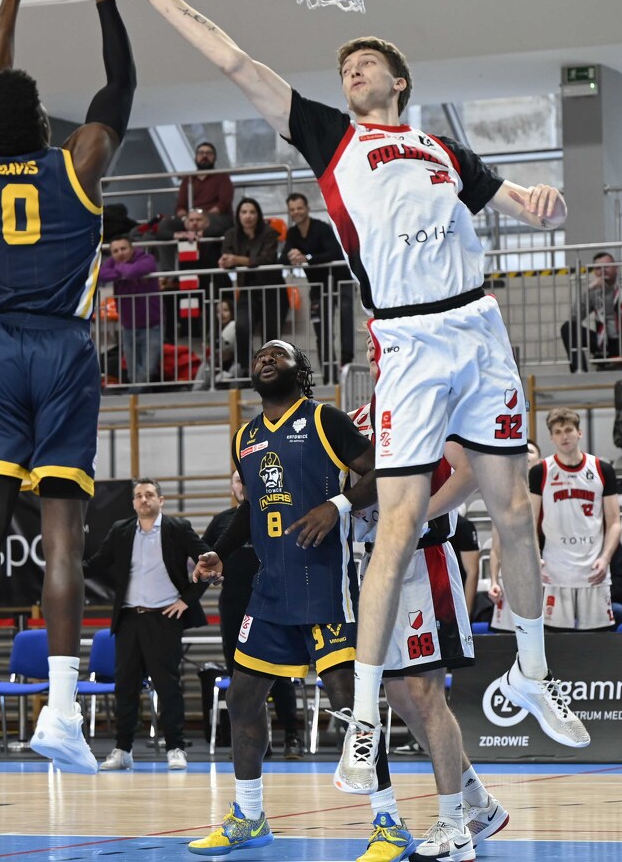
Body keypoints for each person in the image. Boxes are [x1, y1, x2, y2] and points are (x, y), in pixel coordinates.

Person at [102, 0, 589, 795]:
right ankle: (362, 723)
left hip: (479, 328)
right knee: (395, 528)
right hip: (407, 339)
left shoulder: (445, 151)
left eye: (364, 64)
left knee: (515, 511)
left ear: (397, 80)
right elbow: (235, 61)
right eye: (345, 68)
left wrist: (541, 203)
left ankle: (533, 672)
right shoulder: (331, 138)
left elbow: (522, 201)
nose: (351, 72)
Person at [0, 0, 135, 772]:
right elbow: (119, 85)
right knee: (62, 535)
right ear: (42, 120)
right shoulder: (79, 161)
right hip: (63, 350)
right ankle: (60, 713)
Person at [185, 340, 382, 856]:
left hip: (325, 584)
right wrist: (221, 551)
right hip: (270, 589)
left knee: (350, 707)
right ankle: (249, 817)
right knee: (241, 698)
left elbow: (380, 472)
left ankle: (388, 822)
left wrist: (338, 505)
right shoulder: (245, 437)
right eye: (259, 357)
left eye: (277, 354)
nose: (265, 359)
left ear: (301, 370)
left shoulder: (325, 420)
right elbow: (253, 510)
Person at [347, 331, 507, 862]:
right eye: (372, 347)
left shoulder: (434, 405)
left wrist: (419, 512)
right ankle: (479, 804)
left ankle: (453, 826)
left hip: (424, 561)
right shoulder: (357, 420)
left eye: (385, 345)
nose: (377, 353)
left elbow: (471, 474)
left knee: (425, 694)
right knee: (399, 697)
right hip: (375, 566)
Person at [85, 477, 208, 770]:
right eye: (139, 495)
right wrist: (67, 564)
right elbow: (98, 563)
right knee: (125, 687)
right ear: (133, 503)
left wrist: (186, 600)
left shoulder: (177, 528)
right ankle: (122, 749)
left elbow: (207, 564)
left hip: (164, 617)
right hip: (129, 618)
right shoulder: (122, 530)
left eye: (149, 494)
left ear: (160, 500)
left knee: (168, 686)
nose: (144, 499)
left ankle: (175, 747)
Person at [202, 470, 304, 759]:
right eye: (237, 480)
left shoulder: (278, 513)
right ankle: (255, 742)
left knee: (280, 673)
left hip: (274, 603)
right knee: (240, 676)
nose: (241, 485)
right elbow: (205, 558)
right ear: (232, 487)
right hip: (234, 605)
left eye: (244, 480)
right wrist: (209, 574)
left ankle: (292, 737)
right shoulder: (222, 522)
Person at [519, 407, 621, 632]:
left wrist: (605, 558)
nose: (564, 436)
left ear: (579, 433)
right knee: (556, 641)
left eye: (568, 430)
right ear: (551, 437)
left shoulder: (602, 469)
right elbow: (530, 522)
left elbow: (614, 521)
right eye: (557, 432)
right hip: (555, 571)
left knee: (599, 640)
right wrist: (535, 558)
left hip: (593, 570)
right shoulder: (541, 471)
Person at [282, 191, 354, 381]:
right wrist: (292, 256)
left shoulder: (321, 227)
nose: (296, 212)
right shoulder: (293, 233)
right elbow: (282, 258)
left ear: (307, 208)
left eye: (299, 208)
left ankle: (346, 363)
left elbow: (335, 253)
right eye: (292, 209)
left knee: (345, 321)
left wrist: (307, 258)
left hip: (340, 280)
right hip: (318, 286)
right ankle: (329, 373)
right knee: (321, 329)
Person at [561, 252, 622, 372]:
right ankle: (580, 372)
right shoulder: (594, 290)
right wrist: (587, 290)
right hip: (605, 343)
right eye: (598, 268)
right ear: (594, 272)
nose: (602, 271)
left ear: (616, 268)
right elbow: (574, 317)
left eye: (607, 266)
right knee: (568, 328)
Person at [220, 197, 284, 374]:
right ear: (238, 215)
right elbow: (226, 254)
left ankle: (271, 372)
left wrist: (237, 260)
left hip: (271, 289)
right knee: (241, 326)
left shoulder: (269, 233)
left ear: (258, 215)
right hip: (247, 289)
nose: (248, 216)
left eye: (252, 212)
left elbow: (266, 259)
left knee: (270, 335)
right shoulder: (232, 234)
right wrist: (225, 261)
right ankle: (245, 368)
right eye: (244, 212)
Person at [99, 234, 162, 383]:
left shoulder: (147, 259)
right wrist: (124, 270)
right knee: (132, 370)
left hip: (152, 324)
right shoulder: (111, 262)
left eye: (123, 248)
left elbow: (133, 272)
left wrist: (119, 269)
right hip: (128, 325)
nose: (120, 253)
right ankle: (137, 395)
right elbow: (100, 274)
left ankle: (133, 393)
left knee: (149, 368)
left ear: (132, 249)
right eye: (115, 251)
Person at [175, 141, 234, 217]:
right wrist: (186, 217)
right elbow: (180, 206)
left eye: (208, 153)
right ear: (196, 157)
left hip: (216, 217)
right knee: (167, 223)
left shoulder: (222, 177)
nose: (204, 156)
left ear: (214, 158)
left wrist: (204, 217)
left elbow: (224, 203)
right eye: (201, 153)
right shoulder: (188, 179)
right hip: (192, 218)